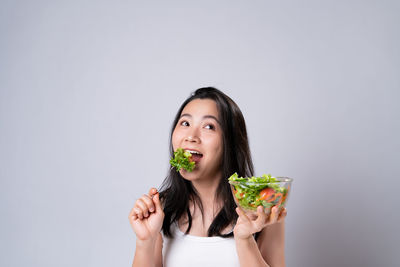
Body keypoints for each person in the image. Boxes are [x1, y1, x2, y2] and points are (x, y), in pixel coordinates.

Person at [128, 87, 287, 267]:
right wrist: (146, 241)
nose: (191, 136)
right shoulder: (160, 210)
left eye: (209, 126)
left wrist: (244, 240)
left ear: (230, 143)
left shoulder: (262, 209)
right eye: (185, 123)